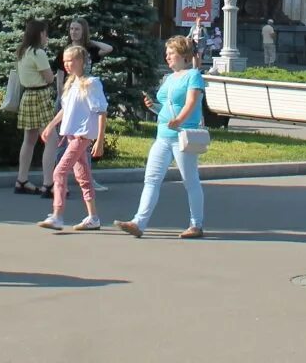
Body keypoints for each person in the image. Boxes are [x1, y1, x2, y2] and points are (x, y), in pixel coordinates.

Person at [116, 35, 207, 239]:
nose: (167, 57)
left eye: (171, 53)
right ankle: (138, 222)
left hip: (183, 136)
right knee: (151, 179)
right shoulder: (168, 78)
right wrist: (154, 107)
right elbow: (167, 107)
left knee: (190, 180)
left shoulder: (193, 75)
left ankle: (196, 224)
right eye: (166, 54)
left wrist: (180, 120)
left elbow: (191, 102)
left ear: (183, 55)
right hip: (163, 135)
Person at [37, 44, 107, 231]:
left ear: (82, 61)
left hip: (82, 137)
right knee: (83, 177)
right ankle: (93, 217)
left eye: (72, 60)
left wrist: (99, 140)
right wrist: (51, 126)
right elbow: (65, 111)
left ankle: (57, 215)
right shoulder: (71, 84)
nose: (67, 64)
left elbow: (101, 112)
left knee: (59, 172)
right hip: (70, 136)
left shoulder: (91, 83)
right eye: (65, 61)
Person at [42, 19, 115, 187]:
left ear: (83, 31)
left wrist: (90, 41)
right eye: (72, 29)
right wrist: (60, 95)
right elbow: (60, 73)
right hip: (68, 97)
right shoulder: (65, 50)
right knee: (64, 137)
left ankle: (87, 179)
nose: (73, 32)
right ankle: (60, 178)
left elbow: (108, 49)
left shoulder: (88, 50)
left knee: (83, 139)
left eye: (77, 29)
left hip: (84, 97)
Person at [12, 20, 56, 196]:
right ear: (40, 34)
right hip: (40, 95)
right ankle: (49, 183)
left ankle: (21, 180)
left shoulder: (23, 51)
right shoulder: (39, 53)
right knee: (51, 139)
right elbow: (49, 78)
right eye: (45, 33)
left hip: (27, 96)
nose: (47, 37)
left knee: (28, 140)